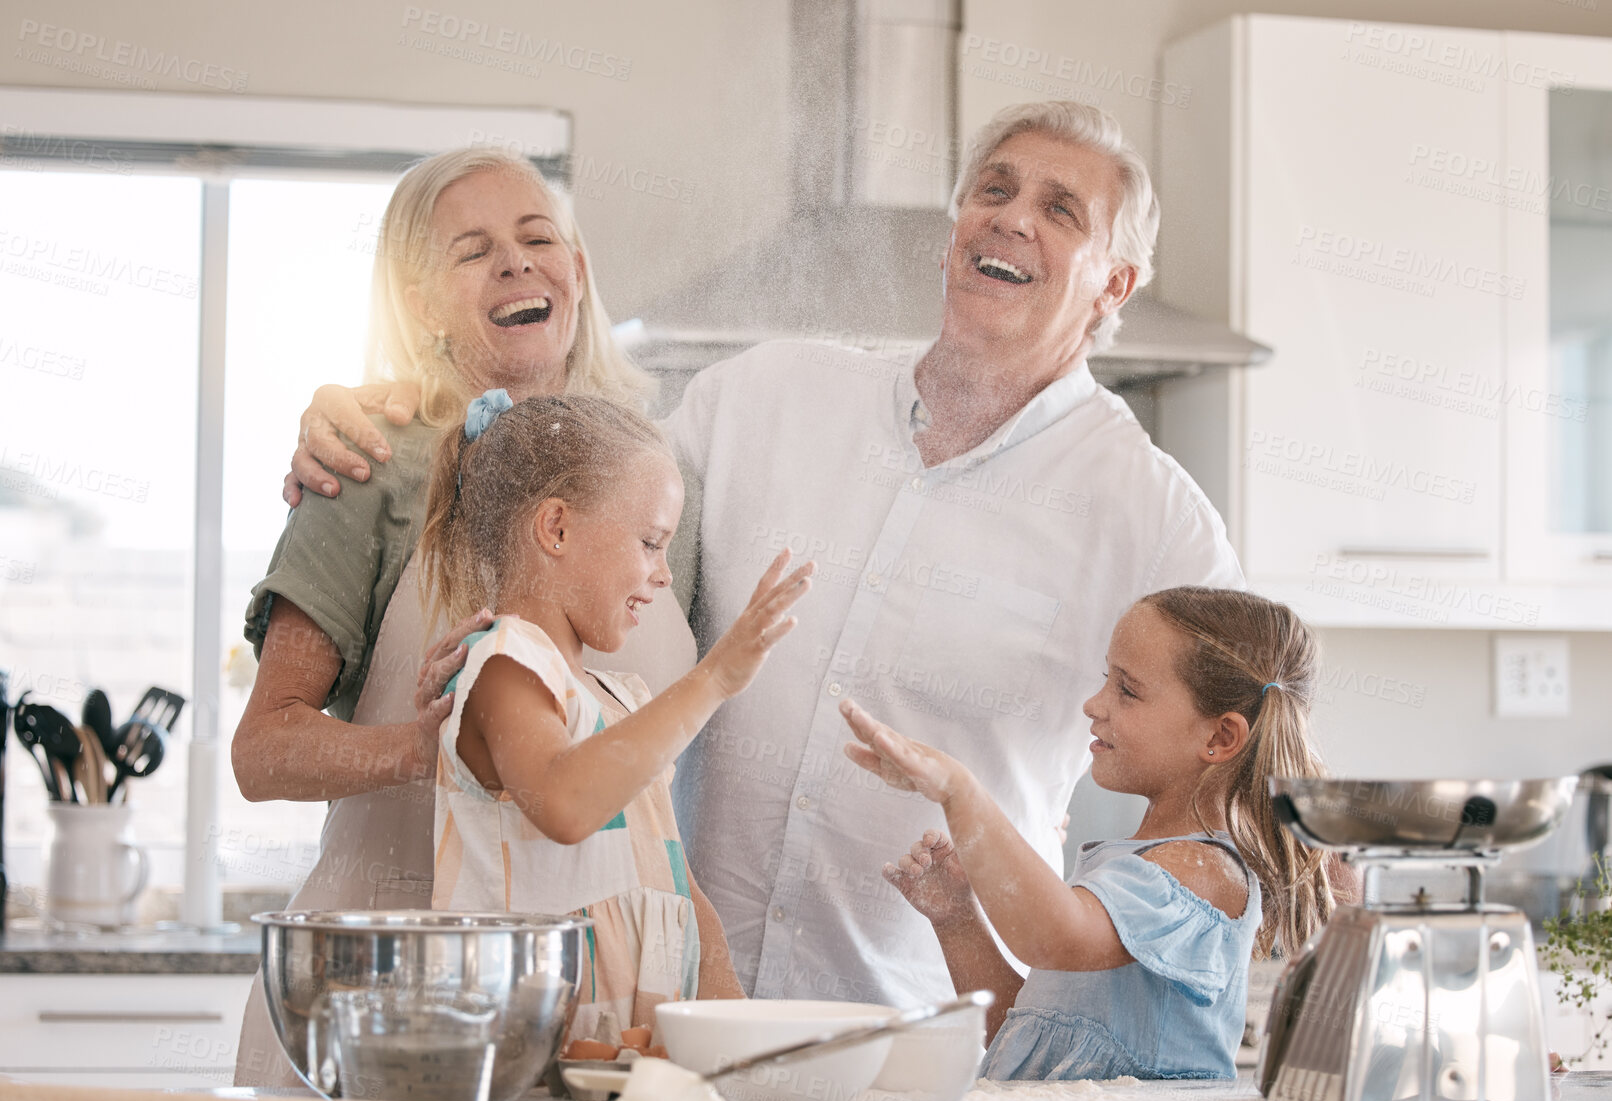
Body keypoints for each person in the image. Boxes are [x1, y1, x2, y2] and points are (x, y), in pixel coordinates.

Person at [283, 100, 1244, 1010]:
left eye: (1059, 208)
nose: (1012, 219)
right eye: (993, 191)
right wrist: (366, 413)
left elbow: (1230, 778)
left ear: (1114, 284)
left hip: (924, 1034)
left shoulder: (1154, 517)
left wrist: (1107, 981)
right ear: (954, 227)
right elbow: (552, 489)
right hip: (666, 1016)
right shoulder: (757, 401)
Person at [231, 147, 690, 1087]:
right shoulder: (368, 463)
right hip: (383, 989)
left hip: (605, 1008)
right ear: (419, 302)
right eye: (471, 251)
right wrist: (428, 749)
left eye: (537, 239)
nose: (517, 264)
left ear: (578, 271)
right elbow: (263, 748)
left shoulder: (654, 473)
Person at [420, 389, 813, 1032]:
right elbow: (565, 803)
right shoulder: (503, 667)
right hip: (524, 1068)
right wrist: (714, 678)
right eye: (651, 542)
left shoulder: (621, 699)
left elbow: (681, 893)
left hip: (628, 1067)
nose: (662, 573)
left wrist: (745, 1040)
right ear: (557, 528)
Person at [842, 587, 1341, 1081]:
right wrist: (956, 920)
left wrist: (960, 791)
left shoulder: (1205, 871)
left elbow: (1054, 939)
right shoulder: (1132, 866)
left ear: (1219, 737)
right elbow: (1029, 1029)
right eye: (1107, 679)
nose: (1093, 704)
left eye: (1127, 690)